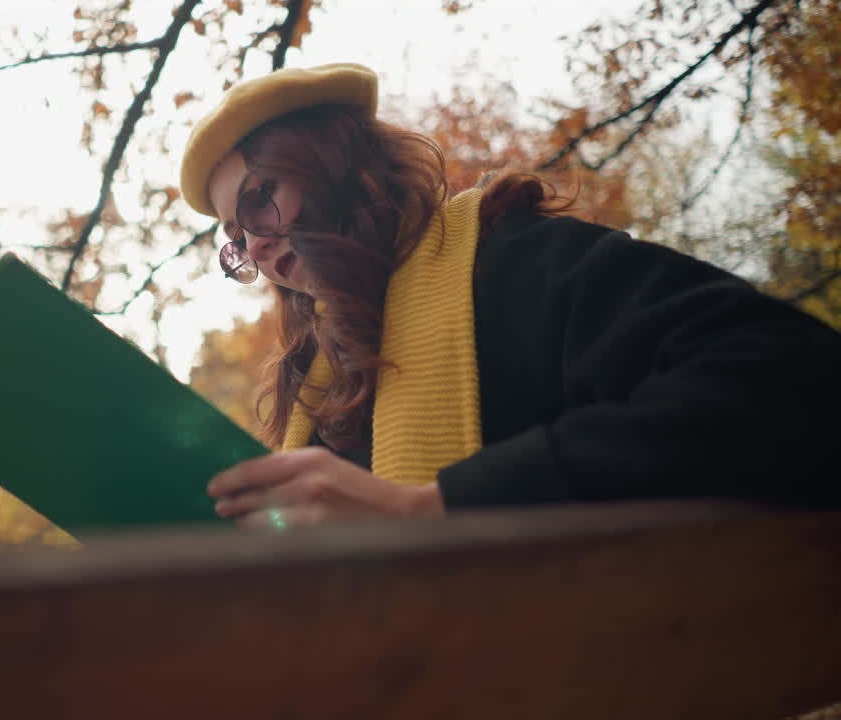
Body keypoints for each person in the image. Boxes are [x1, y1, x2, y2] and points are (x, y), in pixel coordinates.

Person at [176, 63, 841, 532]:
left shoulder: (508, 262)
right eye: (236, 240)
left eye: (259, 201)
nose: (256, 246)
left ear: (332, 160)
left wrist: (435, 508)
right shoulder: (313, 398)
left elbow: (794, 375)